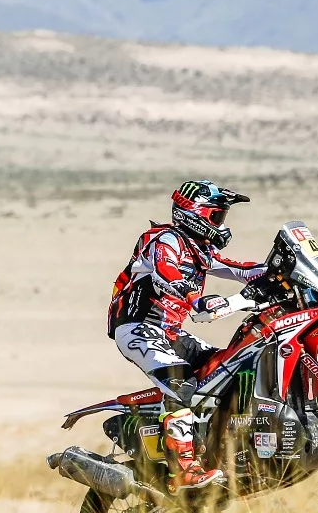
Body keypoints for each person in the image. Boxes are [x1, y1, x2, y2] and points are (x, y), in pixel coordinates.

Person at [107, 180, 266, 492]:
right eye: (217, 216)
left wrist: (280, 273)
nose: (221, 224)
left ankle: (219, 446)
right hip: (139, 328)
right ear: (195, 213)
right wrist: (195, 298)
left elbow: (241, 270)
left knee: (228, 367)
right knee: (180, 381)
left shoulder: (200, 250)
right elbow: (166, 272)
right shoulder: (163, 240)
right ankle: (182, 469)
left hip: (171, 333)